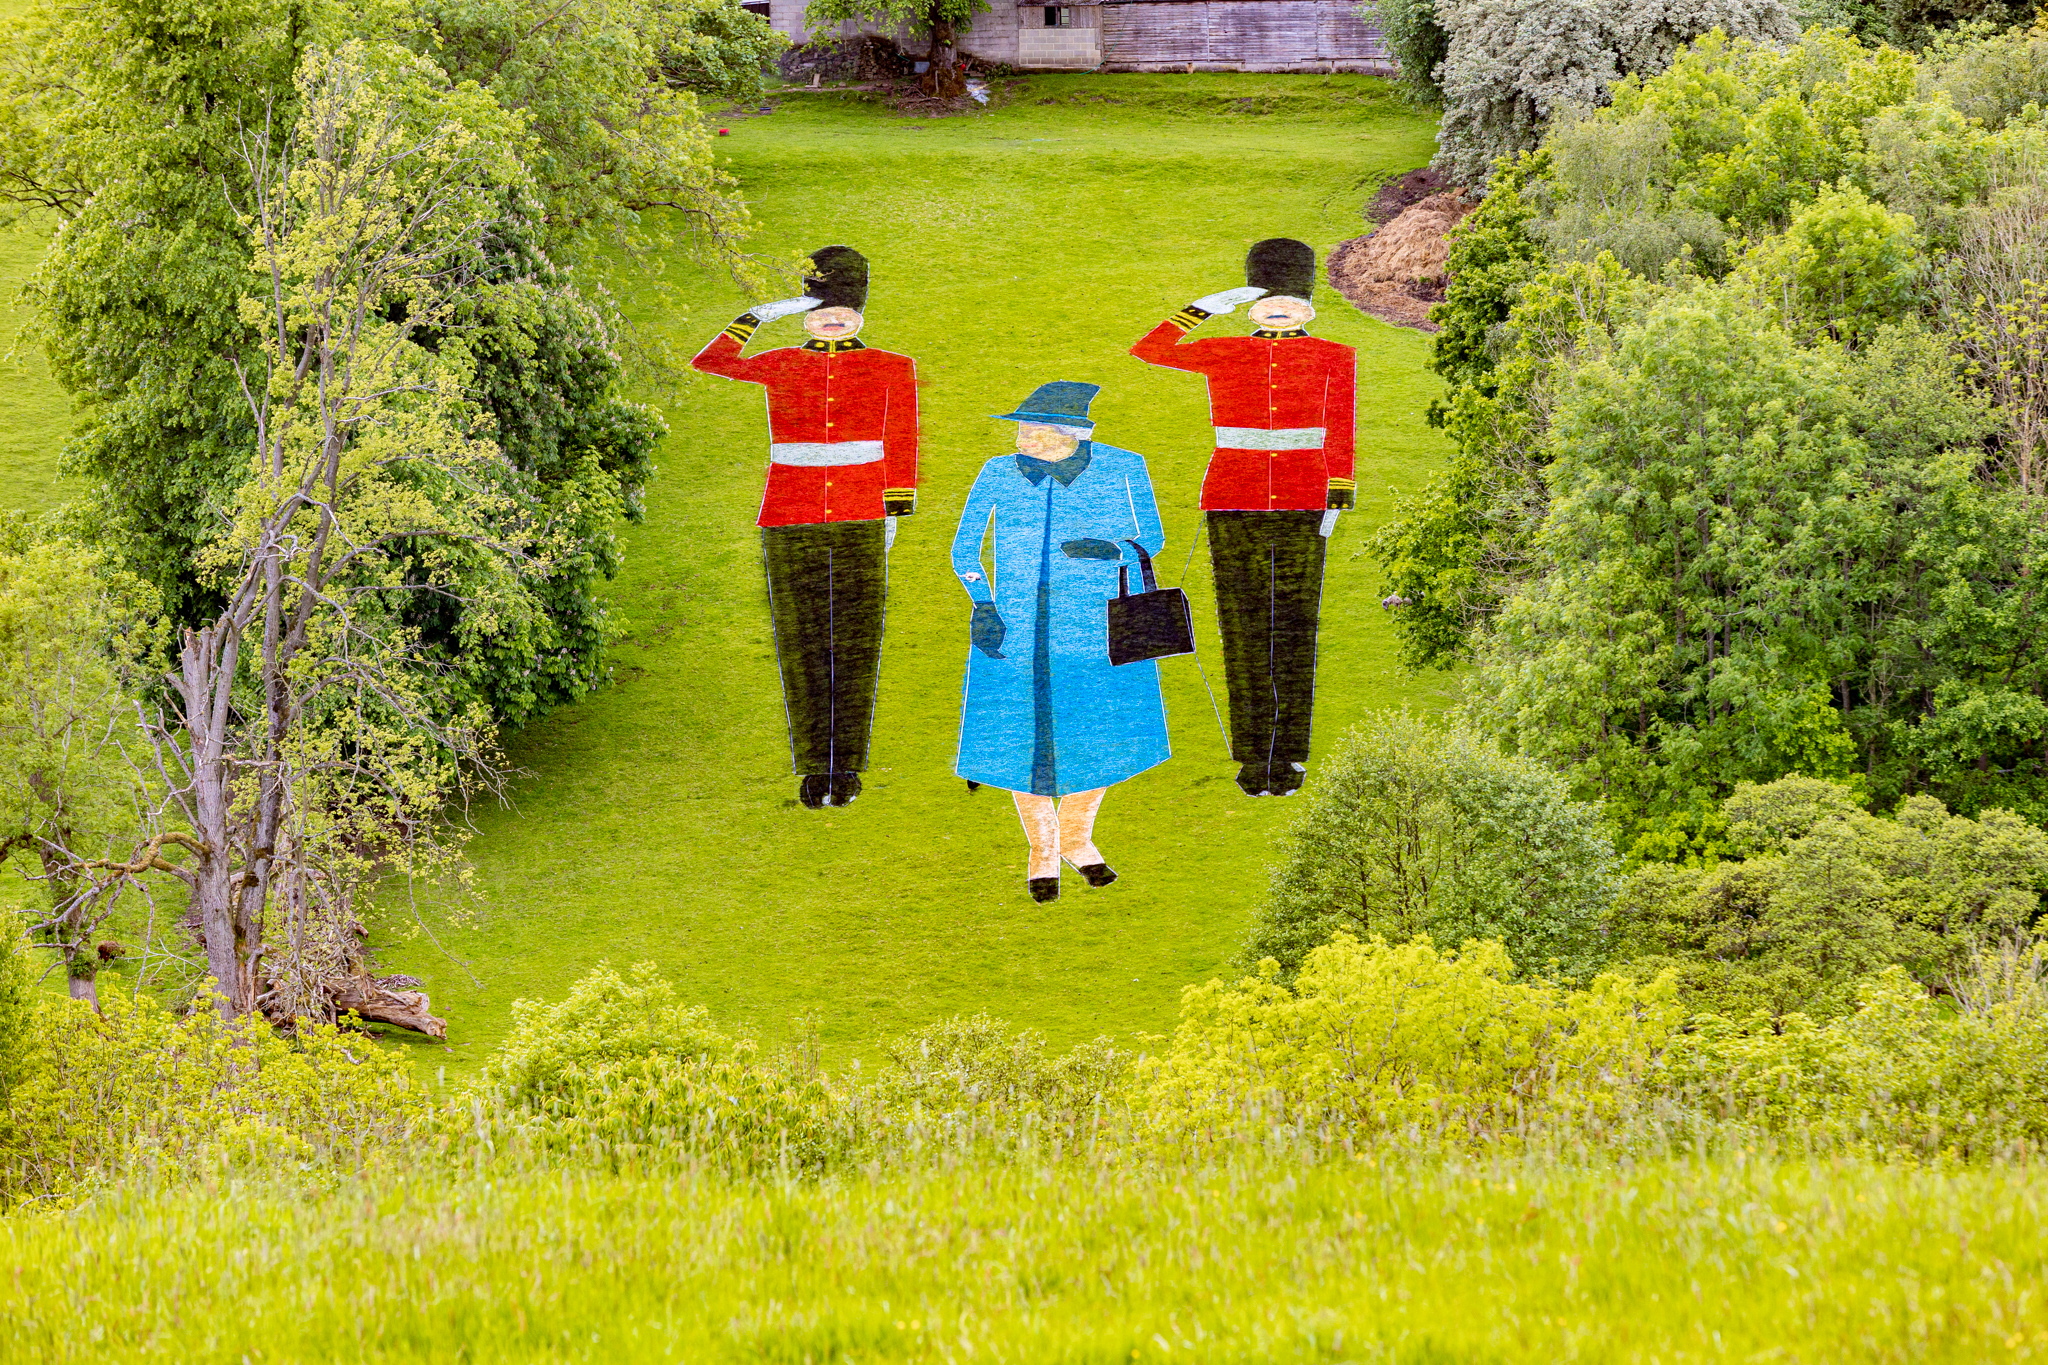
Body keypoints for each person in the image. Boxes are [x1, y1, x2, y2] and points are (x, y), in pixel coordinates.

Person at [691, 246, 919, 809]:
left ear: (861, 313)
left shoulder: (892, 365)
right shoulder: (782, 361)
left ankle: (849, 769)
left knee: (857, 641)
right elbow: (710, 361)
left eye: (842, 308)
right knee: (802, 642)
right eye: (819, 310)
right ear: (804, 314)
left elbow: (904, 438)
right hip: (789, 514)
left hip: (862, 511)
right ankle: (815, 766)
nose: (832, 319)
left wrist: (893, 508)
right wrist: (755, 317)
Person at [1130, 238, 1357, 798]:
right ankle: (1255, 755)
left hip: (1305, 500)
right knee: (1243, 629)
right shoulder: (1225, 350)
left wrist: (1338, 494)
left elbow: (1343, 426)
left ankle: (1293, 756)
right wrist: (1204, 307)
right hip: (1233, 499)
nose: (1278, 308)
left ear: (1308, 306)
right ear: (1251, 305)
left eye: (1289, 298)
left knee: (1296, 628)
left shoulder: (1336, 355)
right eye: (1266, 298)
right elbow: (1148, 349)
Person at [951, 381, 1170, 903]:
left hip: (1095, 626)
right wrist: (983, 605)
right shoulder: (997, 472)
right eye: (1021, 428)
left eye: (1032, 429)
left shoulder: (1124, 466)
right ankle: (1043, 848)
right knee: (1018, 740)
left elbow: (1153, 538)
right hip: (1015, 626)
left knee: (1099, 734)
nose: (1022, 437)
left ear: (1068, 433)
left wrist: (1113, 549)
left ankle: (1076, 837)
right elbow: (965, 550)